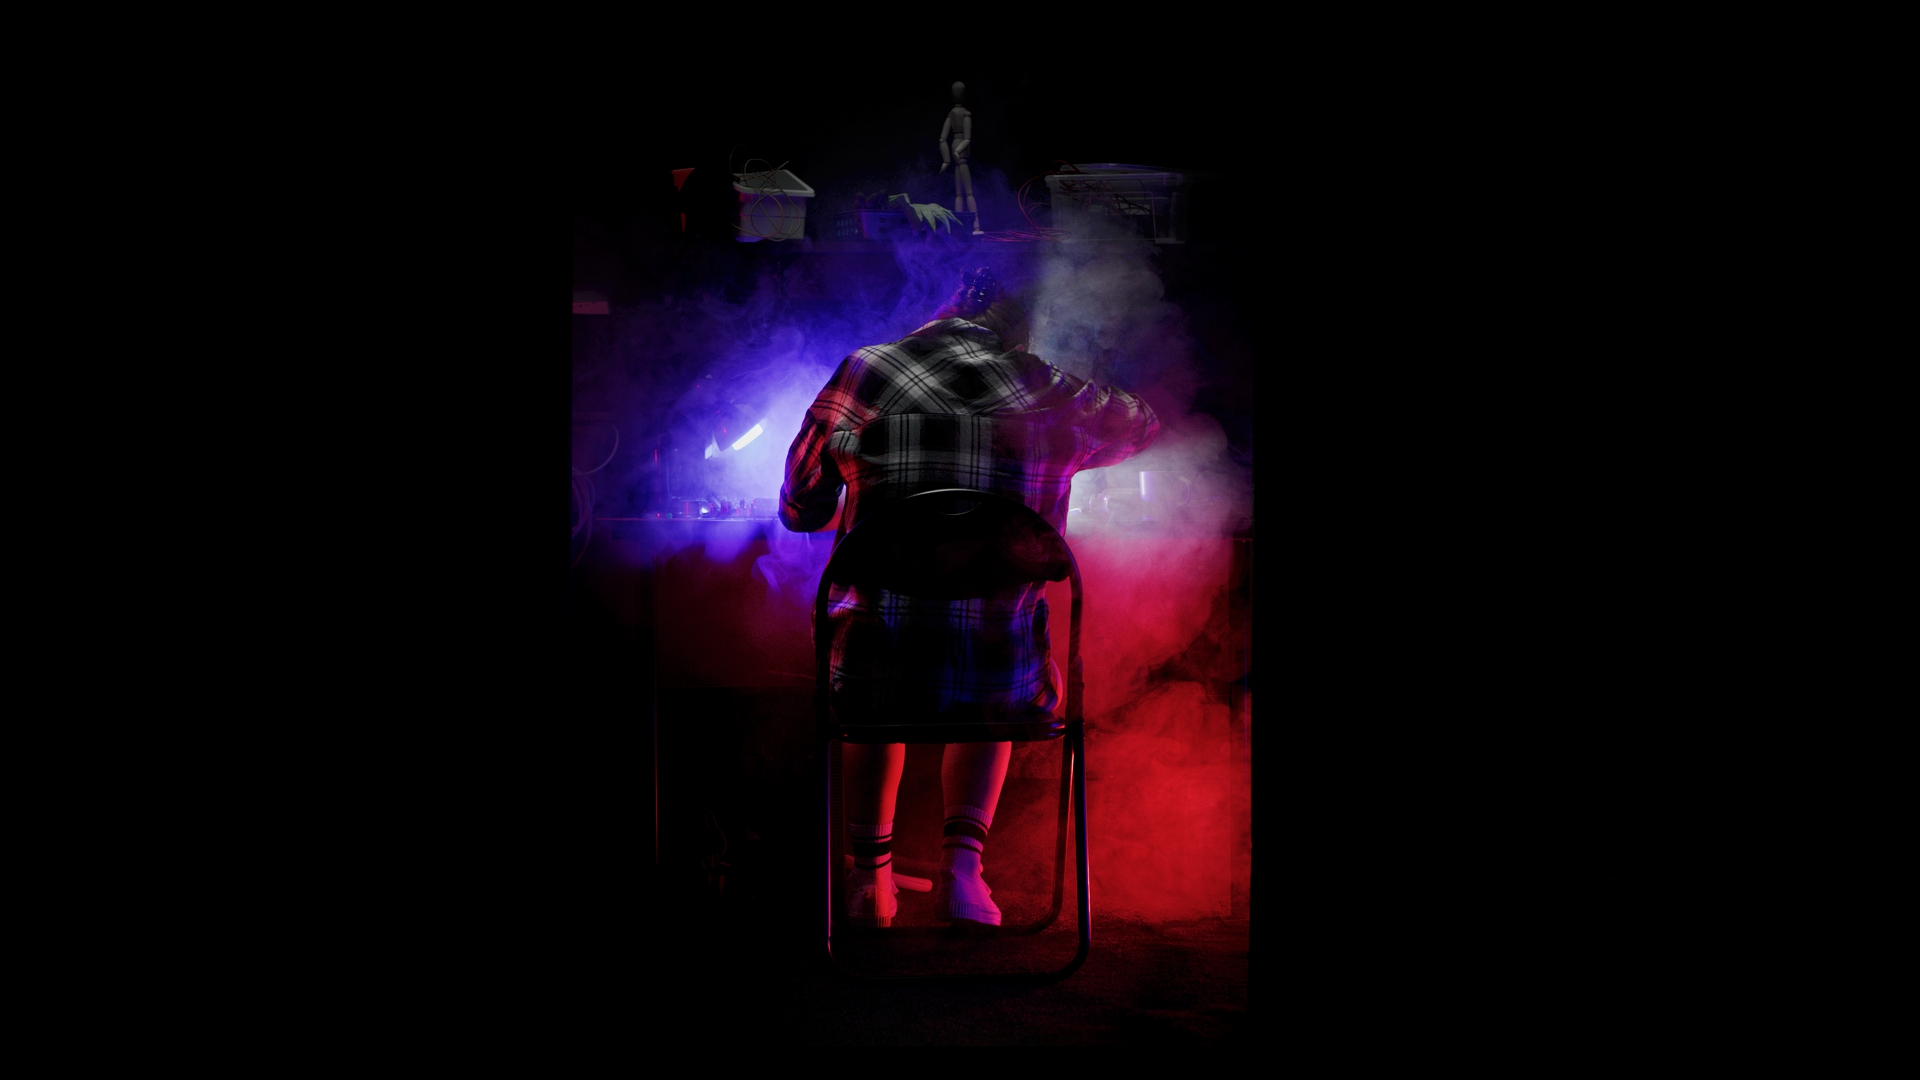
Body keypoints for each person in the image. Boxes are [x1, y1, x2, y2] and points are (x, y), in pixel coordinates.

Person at [780, 267, 1159, 928]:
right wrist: (1061, 442)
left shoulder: (864, 372)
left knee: (876, 656)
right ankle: (963, 872)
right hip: (1000, 681)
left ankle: (869, 879)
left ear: (942, 311)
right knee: (993, 636)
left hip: (870, 674)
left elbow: (799, 508)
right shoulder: (1047, 388)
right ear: (1017, 328)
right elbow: (1143, 425)